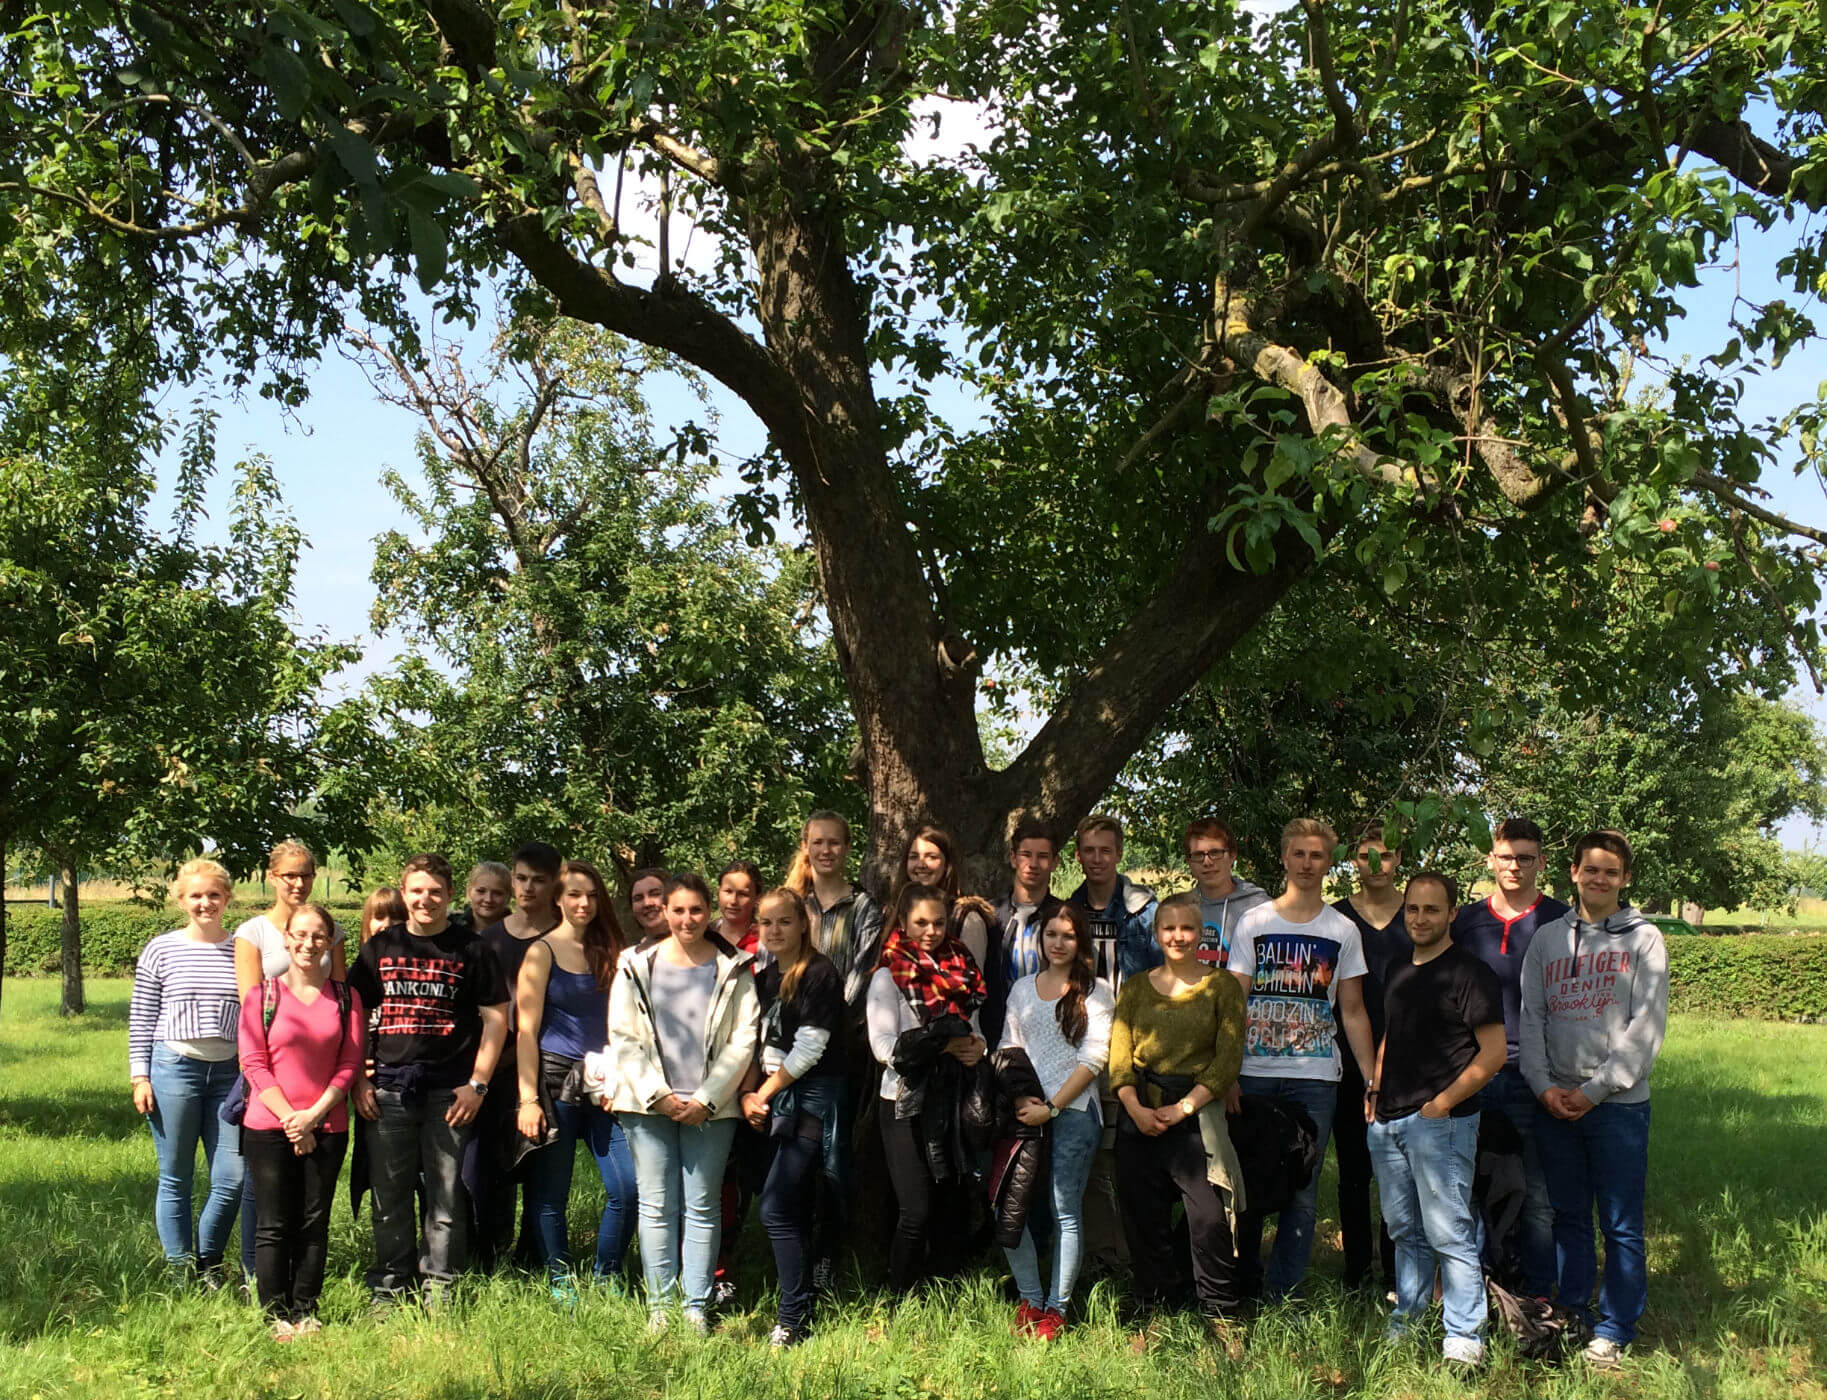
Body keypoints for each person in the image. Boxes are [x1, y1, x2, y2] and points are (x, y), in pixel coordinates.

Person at [1521, 830, 1668, 1370]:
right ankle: (1574, 1309)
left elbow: (1645, 1029)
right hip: (1555, 1103)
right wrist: (1543, 1086)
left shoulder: (1645, 939)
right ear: (1574, 873)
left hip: (1617, 1108)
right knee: (1568, 1216)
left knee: (1620, 1222)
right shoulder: (1547, 940)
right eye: (1591, 869)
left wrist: (1593, 1091)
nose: (1599, 879)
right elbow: (1532, 1018)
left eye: (1611, 871)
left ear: (1624, 878)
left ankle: (1615, 1327)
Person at [347, 852, 510, 1306]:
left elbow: (497, 1019)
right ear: (404, 893)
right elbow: (355, 1015)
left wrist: (478, 1084)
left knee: (446, 1199)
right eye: (417, 890)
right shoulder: (381, 948)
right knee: (389, 1197)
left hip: (450, 1092)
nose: (426, 899)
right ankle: (389, 1289)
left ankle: (441, 1289)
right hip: (388, 1090)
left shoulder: (472, 949)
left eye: (435, 891)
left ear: (450, 895)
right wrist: (359, 1078)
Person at [1227, 817, 1376, 1300]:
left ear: (1329, 863)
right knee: (1247, 1181)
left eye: (1316, 855)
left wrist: (1371, 1079)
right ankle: (1244, 1284)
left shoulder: (1342, 930)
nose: (1307, 864)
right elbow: (1233, 1003)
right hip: (1253, 1072)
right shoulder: (1255, 923)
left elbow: (1352, 1011)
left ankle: (1282, 1294)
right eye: (1299, 854)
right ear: (1284, 858)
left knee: (1303, 1188)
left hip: (1314, 1076)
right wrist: (1225, 1072)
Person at [607, 873, 761, 1333]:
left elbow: (744, 1038)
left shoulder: (734, 966)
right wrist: (659, 1095)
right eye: (678, 910)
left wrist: (708, 1099)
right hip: (647, 1105)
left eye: (696, 910)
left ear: (707, 911)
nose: (687, 919)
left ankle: (695, 1306)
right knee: (656, 1205)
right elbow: (622, 1035)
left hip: (711, 1109)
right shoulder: (635, 964)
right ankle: (660, 1307)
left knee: (702, 1205)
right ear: (665, 912)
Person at [1366, 873, 1505, 1368]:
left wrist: (1442, 1104)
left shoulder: (1470, 974)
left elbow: (1493, 1053)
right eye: (1413, 909)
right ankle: (1408, 1319)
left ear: (1452, 914)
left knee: (1449, 1232)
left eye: (1431, 909)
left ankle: (1465, 1338)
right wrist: (1375, 1089)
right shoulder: (1399, 967)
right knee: (1405, 1230)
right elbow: (1392, 1034)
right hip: (1388, 1120)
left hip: (1440, 1122)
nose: (1420, 918)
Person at [1110, 892, 1247, 1331]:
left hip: (1196, 1115)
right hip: (1140, 1113)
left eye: (1187, 928)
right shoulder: (1135, 989)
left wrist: (1183, 1108)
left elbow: (1227, 1060)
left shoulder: (1221, 987)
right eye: (1168, 928)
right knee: (1142, 1216)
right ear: (1156, 933)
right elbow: (1119, 1060)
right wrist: (1136, 1109)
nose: (1177, 936)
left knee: (1208, 1218)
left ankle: (1220, 1313)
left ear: (1201, 933)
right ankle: (1151, 1309)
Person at [1453, 815, 1570, 1298]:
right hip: (1472, 1071)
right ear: (1490, 860)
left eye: (1525, 858)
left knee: (1538, 1195)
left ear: (1541, 862)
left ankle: (1539, 1295)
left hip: (1535, 1074)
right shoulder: (1465, 922)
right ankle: (1475, 1290)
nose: (1515, 866)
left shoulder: (1561, 921)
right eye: (1506, 857)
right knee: (1468, 1189)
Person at [237, 903, 364, 1339]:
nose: (309, 943)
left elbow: (349, 1064)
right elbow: (253, 1063)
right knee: (273, 1224)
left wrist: (312, 1116)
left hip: (327, 1125)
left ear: (329, 943)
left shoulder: (346, 998)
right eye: (300, 934)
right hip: (268, 1126)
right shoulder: (262, 996)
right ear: (286, 939)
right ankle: (274, 1314)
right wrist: (292, 1119)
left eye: (318, 936)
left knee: (313, 1223)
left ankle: (305, 1309)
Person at [515, 859, 635, 1301]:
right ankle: (561, 1280)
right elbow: (525, 1031)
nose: (583, 903)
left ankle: (608, 1275)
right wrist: (528, 1099)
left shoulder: (614, 951)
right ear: (559, 899)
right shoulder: (541, 952)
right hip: (554, 1084)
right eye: (574, 894)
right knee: (551, 1193)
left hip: (606, 1088)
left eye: (591, 895)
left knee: (627, 1187)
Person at [998, 903, 1114, 1338]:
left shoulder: (1097, 991)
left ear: (1080, 940)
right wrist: (1021, 1098)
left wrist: (1053, 1107)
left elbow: (1094, 1059)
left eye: (1068, 935)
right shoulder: (1021, 990)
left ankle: (1056, 1310)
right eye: (1051, 934)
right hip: (1025, 1110)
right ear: (1040, 938)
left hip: (1075, 1112)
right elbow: (1008, 1047)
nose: (1059, 943)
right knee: (1010, 1206)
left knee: (1063, 1208)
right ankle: (1029, 1299)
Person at [129, 858, 246, 1284]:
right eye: (196, 895)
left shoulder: (241, 949)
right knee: (175, 1177)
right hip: (174, 1069)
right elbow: (142, 1016)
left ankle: (208, 1261)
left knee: (232, 1178)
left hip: (229, 1075)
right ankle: (179, 1269)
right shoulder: (161, 949)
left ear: (227, 898)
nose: (205, 903)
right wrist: (139, 1076)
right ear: (181, 900)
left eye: (214, 894)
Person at [234, 839, 347, 1281]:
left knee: (309, 1211)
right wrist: (288, 1116)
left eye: (305, 875)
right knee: (265, 1198)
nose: (298, 883)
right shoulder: (254, 933)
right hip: (268, 1077)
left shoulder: (331, 931)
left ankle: (298, 1291)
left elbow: (339, 1002)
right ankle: (256, 1274)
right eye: (289, 875)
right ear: (272, 877)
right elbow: (252, 1008)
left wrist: (312, 1115)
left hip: (320, 1084)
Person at [867, 883, 988, 1292]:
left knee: (950, 1201)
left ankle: (942, 1290)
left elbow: (975, 1029)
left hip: (953, 1096)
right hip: (904, 1100)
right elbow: (883, 1048)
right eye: (920, 923)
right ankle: (899, 1293)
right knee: (915, 1209)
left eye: (938, 922)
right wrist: (939, 1045)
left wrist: (977, 1047)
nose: (930, 931)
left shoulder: (963, 969)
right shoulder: (888, 975)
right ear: (903, 922)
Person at [742, 888, 849, 1347]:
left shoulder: (820, 974)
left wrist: (760, 1094)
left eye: (784, 921)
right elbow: (760, 1043)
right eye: (766, 923)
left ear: (804, 924)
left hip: (811, 1102)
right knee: (794, 1207)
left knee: (777, 1207)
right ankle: (803, 1302)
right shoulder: (764, 977)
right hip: (773, 1098)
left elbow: (809, 1049)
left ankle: (792, 1320)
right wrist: (748, 1096)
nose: (775, 930)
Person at [1330, 823, 1411, 1291]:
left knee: (1399, 1172)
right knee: (1354, 1171)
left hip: (1408, 1057)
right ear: (1352, 861)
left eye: (1386, 854)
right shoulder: (1337, 917)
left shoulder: (1416, 912)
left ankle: (1397, 1272)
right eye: (1365, 856)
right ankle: (1356, 1272)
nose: (1376, 865)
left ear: (1399, 859)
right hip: (1347, 1056)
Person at [475, 841, 564, 1269]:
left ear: (555, 884)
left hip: (548, 1069)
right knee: (490, 1166)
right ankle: (487, 1255)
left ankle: (534, 1257)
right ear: (512, 880)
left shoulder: (566, 936)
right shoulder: (488, 940)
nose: (528, 889)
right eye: (522, 879)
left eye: (539, 881)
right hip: (494, 1069)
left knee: (540, 1168)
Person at [786, 811, 885, 1011]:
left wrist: (828, 1018)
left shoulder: (863, 908)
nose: (826, 850)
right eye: (818, 842)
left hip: (842, 1020)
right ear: (805, 847)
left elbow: (862, 974)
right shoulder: (791, 904)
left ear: (847, 848)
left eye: (834, 843)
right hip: (790, 1015)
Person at [984, 815, 1064, 1049]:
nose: (1033, 864)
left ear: (1055, 862)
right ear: (1013, 858)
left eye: (1043, 856)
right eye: (1026, 855)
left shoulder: (1064, 917)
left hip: (1050, 1035)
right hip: (996, 1034)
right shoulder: (989, 916)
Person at [1067, 814, 1158, 992]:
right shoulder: (1069, 913)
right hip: (1082, 1008)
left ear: (1119, 854)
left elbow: (1163, 974)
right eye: (1089, 850)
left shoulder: (1144, 912)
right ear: (1078, 855)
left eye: (1105, 851)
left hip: (1131, 1008)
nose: (1097, 859)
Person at [895, 824, 993, 969]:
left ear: (947, 864)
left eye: (931, 857)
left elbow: (973, 979)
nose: (921, 864)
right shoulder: (892, 912)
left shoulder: (966, 919)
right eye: (914, 857)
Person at [1185, 818, 1269, 970]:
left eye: (1215, 853)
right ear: (1189, 861)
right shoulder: (1180, 909)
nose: (1207, 862)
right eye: (1198, 855)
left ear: (1232, 856)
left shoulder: (1261, 909)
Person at [713, 860, 764, 955]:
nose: (733, 901)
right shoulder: (701, 937)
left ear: (757, 898)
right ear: (718, 893)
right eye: (728, 891)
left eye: (742, 894)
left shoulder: (767, 942)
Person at [628, 867, 670, 946]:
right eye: (638, 898)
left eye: (655, 894)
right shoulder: (630, 953)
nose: (647, 903)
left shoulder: (693, 946)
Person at [464, 861, 512, 931]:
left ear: (509, 897)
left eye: (497, 893)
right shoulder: (450, 928)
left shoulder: (523, 933)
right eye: (481, 891)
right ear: (468, 892)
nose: (488, 899)